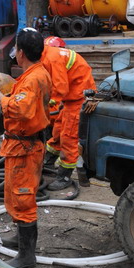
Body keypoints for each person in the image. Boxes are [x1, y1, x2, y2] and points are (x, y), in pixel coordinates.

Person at [0, 27, 51, 268]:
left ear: (21, 52)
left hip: (26, 147)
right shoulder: (35, 73)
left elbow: (20, 109)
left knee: (23, 198)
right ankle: (20, 240)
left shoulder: (33, 78)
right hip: (20, 145)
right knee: (15, 194)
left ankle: (27, 255)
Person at [41, 38, 96, 190]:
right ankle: (48, 162)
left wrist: (47, 108)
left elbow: (59, 89)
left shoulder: (52, 59)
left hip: (77, 100)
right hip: (70, 99)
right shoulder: (52, 55)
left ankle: (64, 176)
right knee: (58, 130)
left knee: (69, 138)